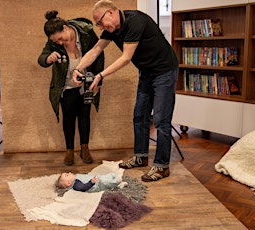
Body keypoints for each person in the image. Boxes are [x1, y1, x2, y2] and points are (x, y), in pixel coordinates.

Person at [72, 0, 179, 182]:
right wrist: (78, 69)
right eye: (97, 24)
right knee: (139, 115)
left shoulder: (135, 21)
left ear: (111, 12)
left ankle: (162, 166)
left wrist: (100, 75)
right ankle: (141, 156)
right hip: (147, 72)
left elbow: (126, 58)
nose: (100, 27)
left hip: (164, 71)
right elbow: (96, 50)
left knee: (161, 120)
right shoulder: (111, 29)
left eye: (100, 22)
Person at [38, 10, 105, 165]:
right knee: (68, 118)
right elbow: (41, 59)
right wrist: (48, 58)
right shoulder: (54, 41)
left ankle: (84, 148)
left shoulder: (86, 33)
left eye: (61, 39)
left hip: (86, 84)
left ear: (65, 28)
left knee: (85, 116)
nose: (60, 43)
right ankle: (69, 150)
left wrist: (98, 80)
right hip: (67, 86)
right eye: (56, 42)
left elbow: (99, 53)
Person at [57, 172, 126, 192]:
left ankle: (118, 185)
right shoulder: (76, 185)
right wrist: (91, 182)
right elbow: (84, 187)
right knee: (104, 181)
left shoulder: (76, 177)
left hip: (97, 178)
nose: (69, 172)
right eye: (67, 175)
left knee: (110, 175)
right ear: (69, 183)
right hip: (97, 185)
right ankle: (116, 183)